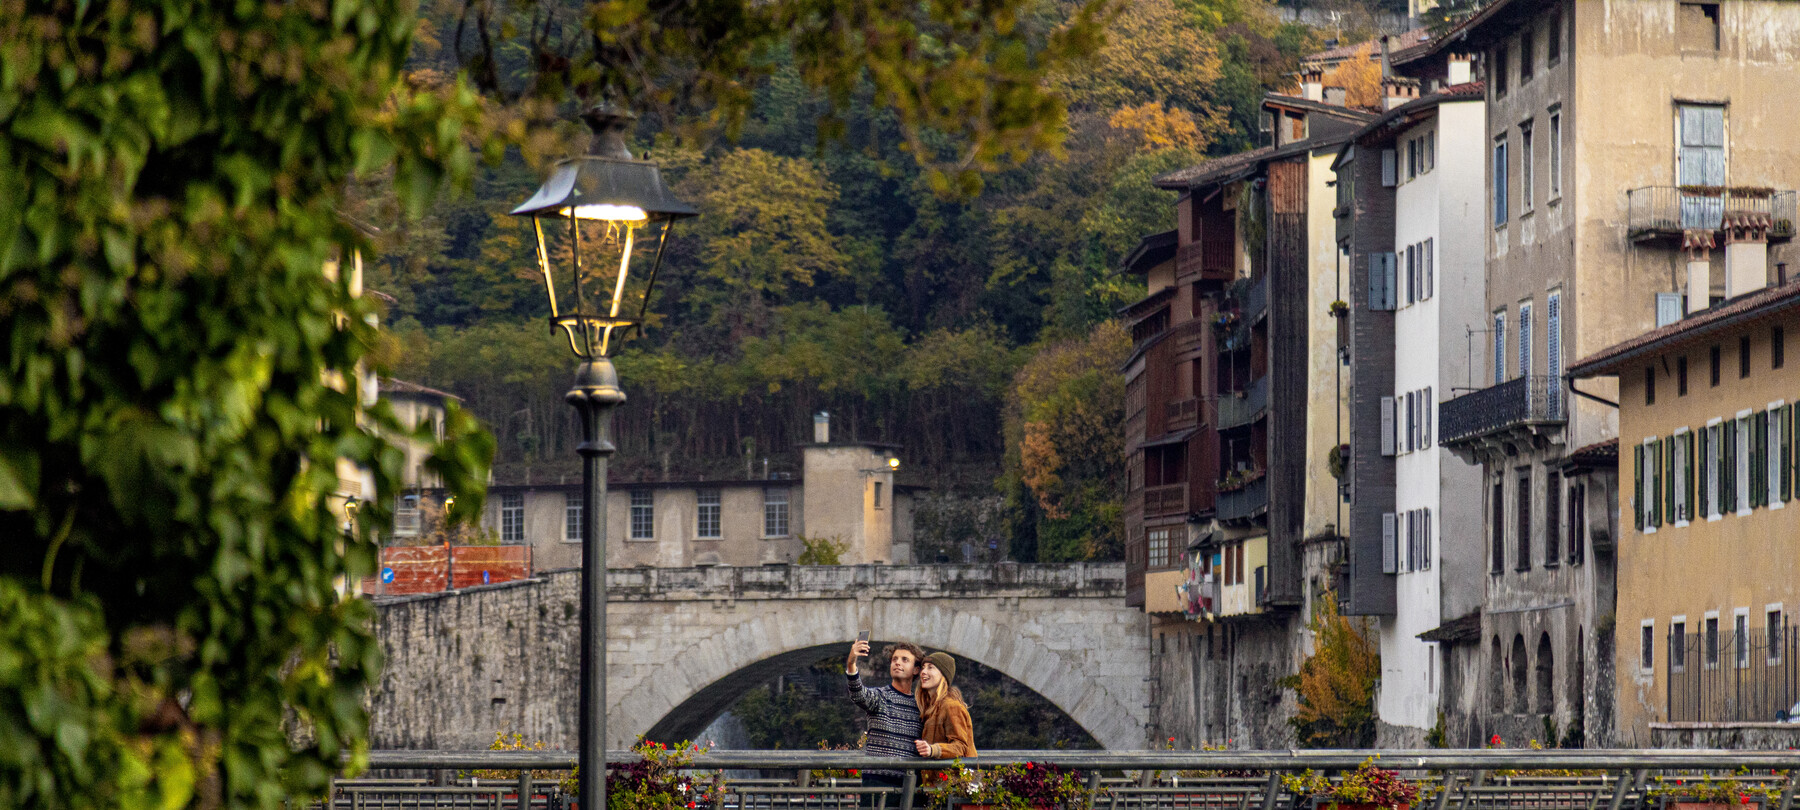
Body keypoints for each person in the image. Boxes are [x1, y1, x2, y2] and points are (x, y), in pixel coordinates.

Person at [846, 638, 926, 801]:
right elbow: (858, 694)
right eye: (895, 659)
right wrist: (851, 662)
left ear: (916, 670)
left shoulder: (922, 706)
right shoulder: (880, 697)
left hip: (910, 785)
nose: (897, 663)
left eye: (905, 660)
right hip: (877, 782)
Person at [913, 652, 976, 760]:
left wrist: (933, 750)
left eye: (930, 667)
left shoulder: (951, 706)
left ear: (943, 675)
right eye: (923, 667)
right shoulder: (931, 708)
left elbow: (961, 747)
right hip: (936, 776)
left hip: (952, 776)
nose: (923, 672)